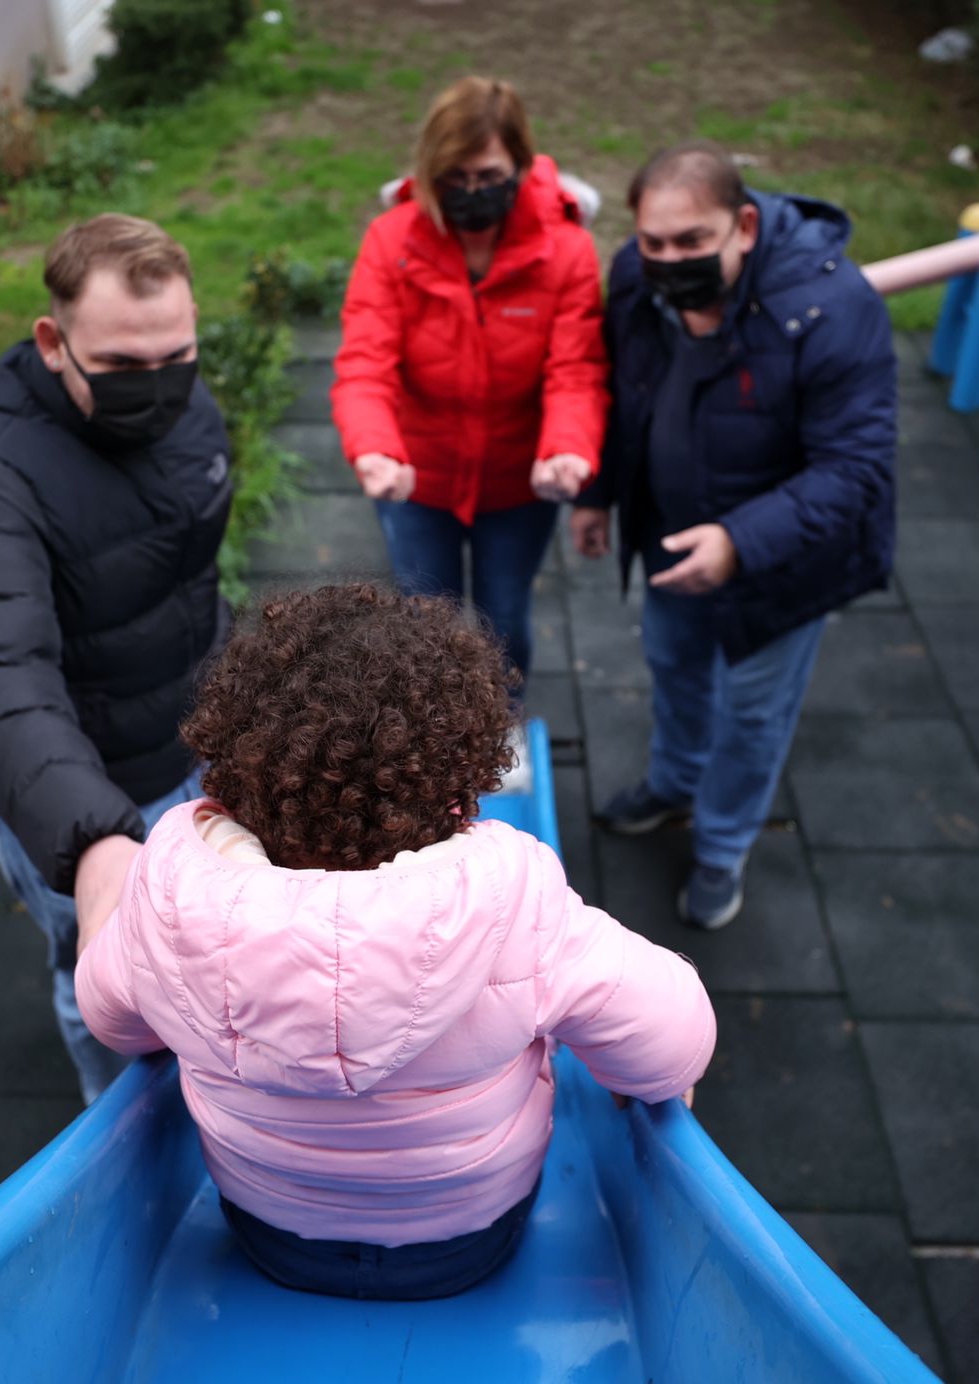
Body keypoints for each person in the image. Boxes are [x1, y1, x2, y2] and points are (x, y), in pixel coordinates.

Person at [72, 584, 715, 1301]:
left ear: (236, 773)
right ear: (462, 792)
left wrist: (114, 910)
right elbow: (675, 1034)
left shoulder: (170, 899)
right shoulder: (517, 903)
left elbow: (112, 1018)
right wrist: (649, 1074)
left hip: (269, 1235)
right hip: (469, 1242)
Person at [0, 214, 232, 1103]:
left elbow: (181, 571)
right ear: (54, 343)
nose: (159, 387)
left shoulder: (180, 394)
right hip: (83, 785)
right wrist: (92, 843)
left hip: (193, 734)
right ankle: (117, 1116)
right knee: (97, 973)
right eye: (125, 368)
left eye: (177, 357)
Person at [571, 142, 898, 931]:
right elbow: (625, 395)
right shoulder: (635, 282)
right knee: (674, 665)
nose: (668, 260)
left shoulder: (831, 308)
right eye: (654, 243)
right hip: (672, 538)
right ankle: (676, 782)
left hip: (782, 562)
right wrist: (600, 494)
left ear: (743, 226)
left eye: (691, 244)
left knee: (755, 712)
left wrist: (741, 542)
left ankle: (721, 848)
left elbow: (856, 467)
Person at [333, 75, 608, 781]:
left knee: (504, 618)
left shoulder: (566, 253)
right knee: (424, 618)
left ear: (521, 164)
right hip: (417, 474)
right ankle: (429, 741)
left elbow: (574, 369)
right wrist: (375, 448)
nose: (472, 191)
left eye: (488, 175)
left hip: (519, 480)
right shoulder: (392, 241)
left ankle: (497, 728)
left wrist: (569, 449)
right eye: (454, 177)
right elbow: (366, 360)